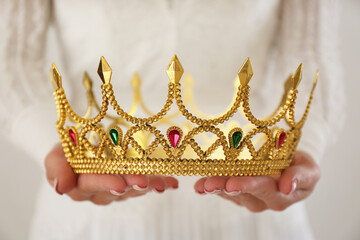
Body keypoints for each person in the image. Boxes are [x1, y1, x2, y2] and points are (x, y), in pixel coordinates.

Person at [0, 0, 344, 239]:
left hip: (254, 200)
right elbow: (10, 60)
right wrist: (49, 143)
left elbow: (312, 55)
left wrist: (306, 146)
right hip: (89, 216)